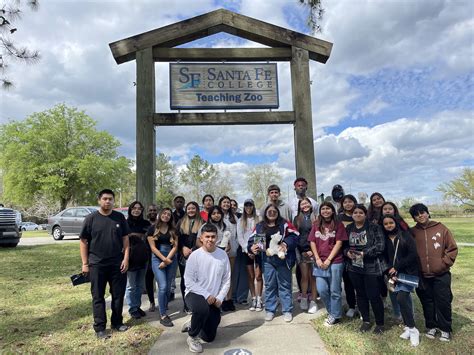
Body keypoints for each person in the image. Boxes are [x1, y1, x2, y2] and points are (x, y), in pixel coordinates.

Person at [79, 189, 130, 339]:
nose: (108, 201)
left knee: (118, 295)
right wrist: (85, 263)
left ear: (114, 201)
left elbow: (126, 240)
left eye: (110, 199)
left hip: (117, 264)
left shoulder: (119, 217)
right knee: (98, 297)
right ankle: (100, 328)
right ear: (99, 201)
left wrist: (126, 258)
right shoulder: (91, 219)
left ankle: (117, 322)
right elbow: (83, 241)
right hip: (96, 264)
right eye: (105, 199)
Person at [409, 203, 458, 342]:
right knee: (427, 301)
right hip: (422, 275)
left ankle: (445, 329)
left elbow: (452, 249)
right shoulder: (412, 232)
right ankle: (431, 326)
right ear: (414, 218)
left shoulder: (441, 228)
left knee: (443, 301)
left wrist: (443, 264)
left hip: (441, 274)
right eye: (417, 214)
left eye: (422, 212)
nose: (421, 216)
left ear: (428, 213)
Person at [182, 223, 231, 353]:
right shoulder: (195, 256)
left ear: (217, 238)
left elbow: (226, 280)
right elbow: (188, 281)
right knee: (201, 308)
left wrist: (220, 297)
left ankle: (194, 322)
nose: (210, 239)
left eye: (213, 236)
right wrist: (206, 295)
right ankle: (192, 336)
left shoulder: (222, 255)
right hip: (194, 294)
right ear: (201, 238)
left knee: (209, 337)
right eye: (207, 236)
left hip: (213, 298)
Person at [248, 204, 298, 322]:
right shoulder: (260, 226)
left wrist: (285, 244)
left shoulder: (285, 224)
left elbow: (295, 236)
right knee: (270, 285)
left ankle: (287, 310)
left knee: (284, 284)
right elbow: (252, 240)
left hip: (283, 258)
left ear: (278, 212)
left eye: (274, 211)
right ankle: (270, 310)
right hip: (267, 259)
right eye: (269, 211)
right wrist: (253, 247)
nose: (271, 213)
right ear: (265, 213)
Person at [344, 204, 386, 334]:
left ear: (365, 214)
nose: (357, 214)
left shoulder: (374, 227)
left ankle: (380, 323)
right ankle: (366, 321)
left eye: (360, 212)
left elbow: (380, 245)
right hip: (354, 267)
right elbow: (344, 246)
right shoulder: (349, 228)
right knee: (360, 294)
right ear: (352, 215)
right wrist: (347, 253)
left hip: (370, 266)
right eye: (355, 212)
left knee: (373, 295)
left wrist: (364, 253)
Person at [382, 214, 420, 347]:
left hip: (407, 273)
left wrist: (397, 267)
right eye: (386, 224)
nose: (388, 226)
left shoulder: (405, 236)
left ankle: (413, 329)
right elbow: (384, 258)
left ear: (395, 222)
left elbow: (413, 255)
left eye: (390, 223)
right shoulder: (385, 239)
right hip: (393, 276)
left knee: (402, 298)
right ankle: (409, 327)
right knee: (401, 299)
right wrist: (388, 270)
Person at [309, 202, 348, 325]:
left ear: (332, 211)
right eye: (323, 209)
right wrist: (318, 259)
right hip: (319, 262)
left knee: (335, 290)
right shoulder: (316, 224)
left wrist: (329, 260)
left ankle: (335, 316)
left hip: (335, 262)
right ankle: (333, 312)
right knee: (322, 289)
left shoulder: (338, 225)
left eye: (328, 208)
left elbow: (339, 243)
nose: (325, 211)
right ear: (320, 211)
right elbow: (312, 242)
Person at [147, 208, 178, 327]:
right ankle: (163, 314)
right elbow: (153, 248)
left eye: (169, 214)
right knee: (163, 286)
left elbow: (175, 247)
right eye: (164, 213)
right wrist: (163, 259)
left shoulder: (173, 230)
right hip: (157, 258)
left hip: (171, 258)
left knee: (169, 284)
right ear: (160, 215)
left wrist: (167, 260)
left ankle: (164, 304)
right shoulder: (152, 229)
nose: (166, 216)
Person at [177, 202, 204, 314]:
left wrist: (193, 249)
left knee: (198, 279)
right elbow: (176, 238)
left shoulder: (202, 222)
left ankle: (198, 303)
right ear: (186, 210)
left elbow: (203, 239)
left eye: (193, 208)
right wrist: (183, 248)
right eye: (189, 208)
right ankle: (186, 304)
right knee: (185, 280)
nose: (191, 210)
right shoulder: (181, 222)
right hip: (183, 255)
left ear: (197, 209)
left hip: (198, 254)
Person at [125, 201, 151, 319]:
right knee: (131, 285)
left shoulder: (146, 223)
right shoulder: (125, 223)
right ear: (130, 209)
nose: (136, 210)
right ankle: (132, 308)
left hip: (143, 257)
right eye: (134, 208)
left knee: (140, 285)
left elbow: (150, 237)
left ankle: (137, 306)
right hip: (130, 257)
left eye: (139, 208)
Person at [293, 197, 318, 314]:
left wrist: (313, 250)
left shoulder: (317, 218)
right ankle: (304, 297)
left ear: (311, 204)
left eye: (307, 203)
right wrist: (302, 250)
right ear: (300, 207)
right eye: (302, 204)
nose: (305, 205)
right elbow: (295, 235)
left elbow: (318, 235)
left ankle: (313, 301)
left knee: (313, 277)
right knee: (304, 276)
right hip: (302, 251)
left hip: (314, 250)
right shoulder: (297, 219)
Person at [237, 199, 263, 311]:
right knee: (250, 276)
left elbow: (260, 234)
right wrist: (247, 250)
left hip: (257, 250)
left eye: (250, 205)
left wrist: (256, 249)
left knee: (258, 276)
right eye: (246, 205)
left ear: (253, 206)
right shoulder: (241, 220)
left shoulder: (259, 219)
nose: (248, 207)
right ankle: (253, 298)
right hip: (246, 252)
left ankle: (259, 299)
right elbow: (240, 237)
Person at [337, 194, 359, 318]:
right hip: (343, 252)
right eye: (345, 202)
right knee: (348, 281)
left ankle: (361, 306)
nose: (348, 204)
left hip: (358, 251)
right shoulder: (339, 217)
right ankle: (351, 305)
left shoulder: (359, 214)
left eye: (350, 201)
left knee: (360, 281)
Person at [171, 196, 186, 301]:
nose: (179, 203)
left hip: (182, 248)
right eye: (177, 202)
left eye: (181, 202)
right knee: (171, 273)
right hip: (171, 247)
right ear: (174, 203)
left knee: (183, 274)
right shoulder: (170, 215)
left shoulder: (186, 215)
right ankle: (171, 292)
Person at [145, 204, 158, 312]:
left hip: (159, 255)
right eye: (150, 210)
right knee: (148, 280)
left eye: (154, 210)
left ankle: (164, 301)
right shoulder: (144, 224)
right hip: (146, 255)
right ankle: (152, 302)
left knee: (161, 280)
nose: (152, 212)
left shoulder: (161, 224)